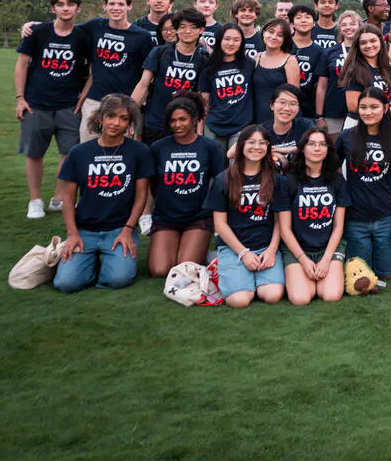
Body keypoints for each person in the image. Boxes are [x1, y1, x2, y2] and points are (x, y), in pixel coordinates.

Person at [52, 95, 154, 292]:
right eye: (111, 116)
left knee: (118, 279)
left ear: (130, 123)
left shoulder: (139, 151)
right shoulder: (79, 152)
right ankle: (87, 264)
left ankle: (105, 262)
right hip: (84, 229)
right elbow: (69, 198)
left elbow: (141, 196)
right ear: (100, 117)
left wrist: (128, 229)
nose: (116, 123)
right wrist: (72, 234)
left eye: (123, 118)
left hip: (119, 229)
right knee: (66, 284)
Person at [16, 0, 90, 219]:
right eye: (60, 4)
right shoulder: (37, 32)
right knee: (34, 153)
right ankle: (35, 200)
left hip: (69, 105)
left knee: (70, 153)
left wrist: (82, 97)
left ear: (78, 9)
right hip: (36, 104)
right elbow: (22, 65)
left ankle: (58, 199)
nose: (65, 8)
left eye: (70, 5)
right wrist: (20, 98)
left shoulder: (83, 37)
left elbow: (93, 72)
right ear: (53, 8)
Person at [145, 96, 226, 278]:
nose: (177, 125)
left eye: (182, 119)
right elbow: (153, 184)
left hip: (197, 218)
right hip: (166, 218)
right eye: (172, 120)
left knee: (183, 270)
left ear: (194, 119)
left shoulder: (210, 147)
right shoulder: (158, 147)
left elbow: (220, 183)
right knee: (159, 270)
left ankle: (200, 248)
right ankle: (183, 246)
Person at [62, 0, 156, 141]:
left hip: (125, 103)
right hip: (95, 101)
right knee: (89, 150)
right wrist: (34, 25)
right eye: (111, 4)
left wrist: (133, 107)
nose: (116, 8)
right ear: (104, 6)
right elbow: (66, 29)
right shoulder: (96, 26)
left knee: (123, 153)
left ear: (129, 6)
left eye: (120, 4)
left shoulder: (142, 36)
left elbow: (146, 76)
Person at [206, 125, 284, 307]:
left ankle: (249, 278)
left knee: (272, 295)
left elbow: (280, 222)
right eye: (251, 142)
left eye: (262, 143)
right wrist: (243, 253)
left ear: (268, 148)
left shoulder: (276, 179)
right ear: (240, 145)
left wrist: (272, 250)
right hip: (234, 248)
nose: (257, 147)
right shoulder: (223, 179)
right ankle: (221, 262)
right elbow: (220, 225)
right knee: (239, 300)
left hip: (265, 246)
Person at [337, 87, 391, 280]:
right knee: (361, 275)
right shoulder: (346, 137)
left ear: (385, 108)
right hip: (355, 219)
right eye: (363, 107)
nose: (368, 112)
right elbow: (331, 171)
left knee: (389, 274)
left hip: (386, 218)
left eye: (374, 107)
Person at [277, 126, 349, 304]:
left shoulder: (337, 180)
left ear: (327, 149)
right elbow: (284, 229)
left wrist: (326, 260)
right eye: (312, 144)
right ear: (303, 149)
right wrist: (303, 260)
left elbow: (339, 226)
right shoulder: (289, 181)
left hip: (327, 248)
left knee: (330, 295)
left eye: (322, 144)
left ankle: (324, 272)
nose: (317, 148)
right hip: (297, 249)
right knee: (301, 298)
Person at [131, 9, 209, 144]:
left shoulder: (204, 59)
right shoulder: (160, 52)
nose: (187, 31)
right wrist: (128, 115)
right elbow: (142, 85)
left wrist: (199, 130)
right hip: (155, 122)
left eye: (193, 27)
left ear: (201, 30)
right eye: (182, 27)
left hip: (186, 126)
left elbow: (203, 99)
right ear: (176, 30)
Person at [201, 24, 254, 146]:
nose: (231, 43)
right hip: (214, 125)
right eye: (227, 39)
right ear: (219, 40)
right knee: (216, 164)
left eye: (236, 40)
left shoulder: (250, 64)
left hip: (241, 125)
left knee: (235, 164)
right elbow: (204, 102)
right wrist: (199, 131)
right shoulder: (208, 67)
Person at [316, 10, 361, 135]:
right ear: (339, 29)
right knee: (334, 149)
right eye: (344, 25)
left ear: (359, 26)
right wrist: (319, 116)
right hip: (333, 109)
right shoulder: (329, 52)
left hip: (359, 110)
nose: (348, 27)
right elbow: (322, 85)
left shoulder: (366, 50)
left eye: (352, 24)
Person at [340, 25, 391, 128]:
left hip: (383, 126)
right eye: (363, 43)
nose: (369, 45)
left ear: (381, 42)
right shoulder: (354, 69)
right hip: (358, 126)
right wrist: (387, 111)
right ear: (357, 46)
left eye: (373, 41)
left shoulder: (387, 66)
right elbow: (353, 106)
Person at [264, 84, 313, 171]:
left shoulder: (305, 125)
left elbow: (317, 145)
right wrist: (272, 154)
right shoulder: (262, 131)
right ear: (272, 105)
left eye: (293, 104)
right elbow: (232, 153)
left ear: (298, 108)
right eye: (282, 102)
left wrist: (287, 150)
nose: (287, 108)